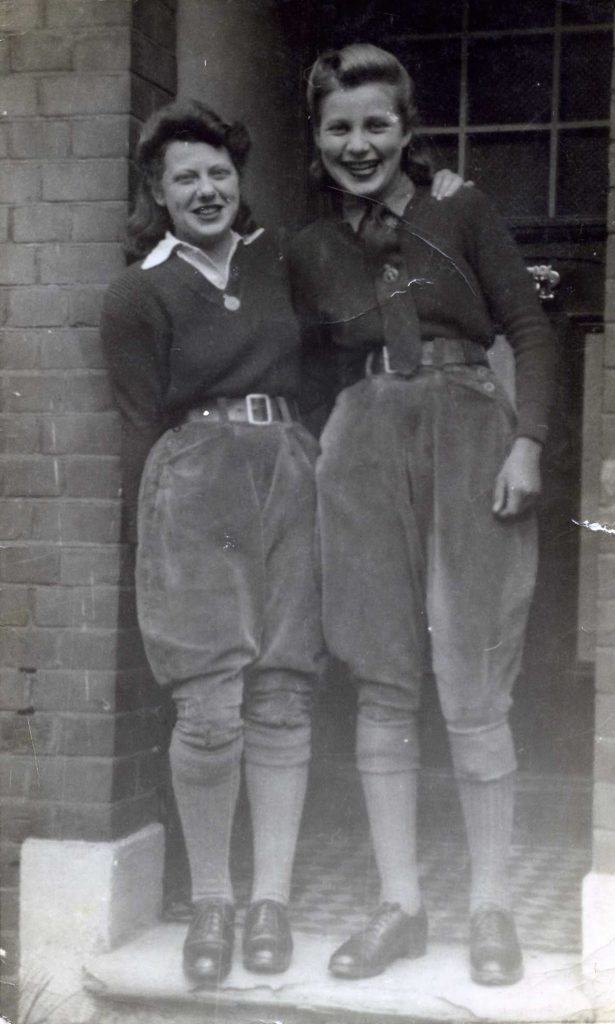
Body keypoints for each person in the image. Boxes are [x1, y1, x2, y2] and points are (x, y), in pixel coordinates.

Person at [288, 44, 556, 986]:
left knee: (474, 680)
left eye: (375, 125)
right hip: (364, 444)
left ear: (406, 131)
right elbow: (304, 363)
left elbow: (527, 324)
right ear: (316, 141)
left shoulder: (460, 207)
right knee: (384, 680)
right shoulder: (310, 249)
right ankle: (400, 907)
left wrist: (527, 441)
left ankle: (488, 908)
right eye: (338, 128)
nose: (357, 144)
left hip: (470, 431)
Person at [100, 100, 324, 986]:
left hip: (289, 474)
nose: (205, 189)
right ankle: (214, 901)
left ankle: (270, 899)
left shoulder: (282, 262)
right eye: (184, 177)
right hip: (195, 484)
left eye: (218, 172)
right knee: (209, 705)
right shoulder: (138, 291)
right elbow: (136, 420)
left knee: (282, 693)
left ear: (239, 179)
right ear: (157, 193)